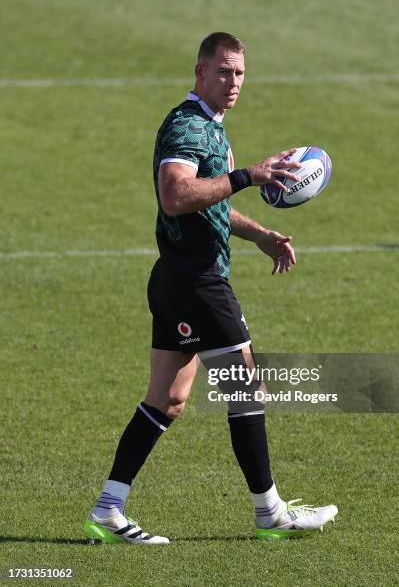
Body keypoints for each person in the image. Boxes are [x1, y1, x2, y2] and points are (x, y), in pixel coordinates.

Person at [84, 32, 337, 545]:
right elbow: (176, 195)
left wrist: (260, 234)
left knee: (169, 400)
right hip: (197, 281)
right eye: (223, 71)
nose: (234, 81)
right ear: (200, 72)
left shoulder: (211, 128)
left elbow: (210, 201)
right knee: (246, 385)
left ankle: (109, 508)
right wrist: (248, 174)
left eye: (240, 72)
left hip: (177, 280)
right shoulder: (189, 126)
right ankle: (270, 512)